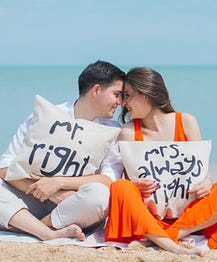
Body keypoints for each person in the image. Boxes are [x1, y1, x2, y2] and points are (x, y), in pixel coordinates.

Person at [104, 67, 217, 255]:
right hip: (150, 215)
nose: (123, 103)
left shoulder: (186, 122)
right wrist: (136, 184)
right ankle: (173, 246)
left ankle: (169, 236)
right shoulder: (127, 132)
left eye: (128, 95)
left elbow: (201, 168)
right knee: (120, 187)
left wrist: (207, 182)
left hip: (188, 215)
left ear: (147, 94)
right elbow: (129, 179)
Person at [0, 60, 125, 241]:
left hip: (74, 204)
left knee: (100, 196)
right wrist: (48, 193)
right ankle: (46, 233)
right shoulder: (45, 116)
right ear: (96, 90)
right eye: (116, 94)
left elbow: (108, 180)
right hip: (29, 198)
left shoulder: (112, 130)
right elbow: (5, 167)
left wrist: (58, 183)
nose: (120, 102)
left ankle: (28, 225)